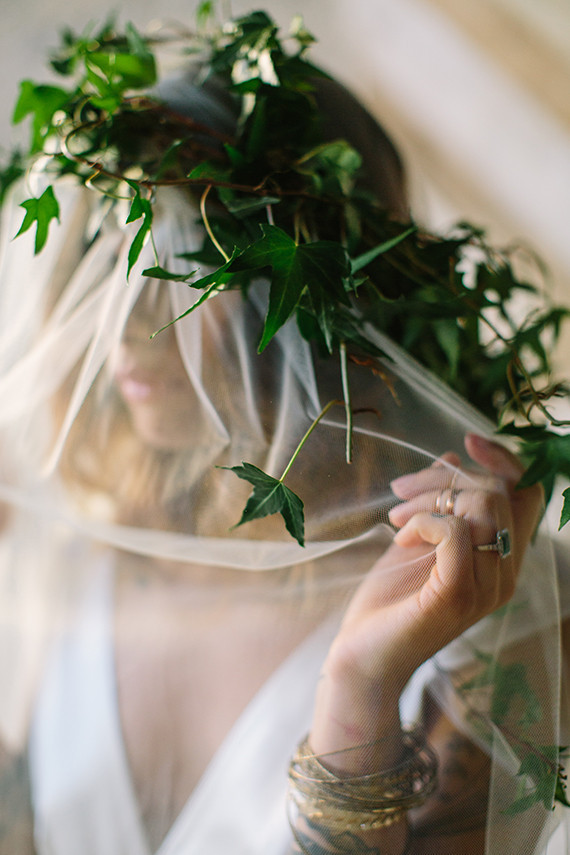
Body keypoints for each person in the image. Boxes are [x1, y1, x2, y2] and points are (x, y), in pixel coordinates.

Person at [0, 10, 567, 855]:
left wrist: (362, 687)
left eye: (181, 268)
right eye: (109, 262)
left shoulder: (483, 601)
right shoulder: (92, 546)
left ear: (321, 298)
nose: (124, 325)